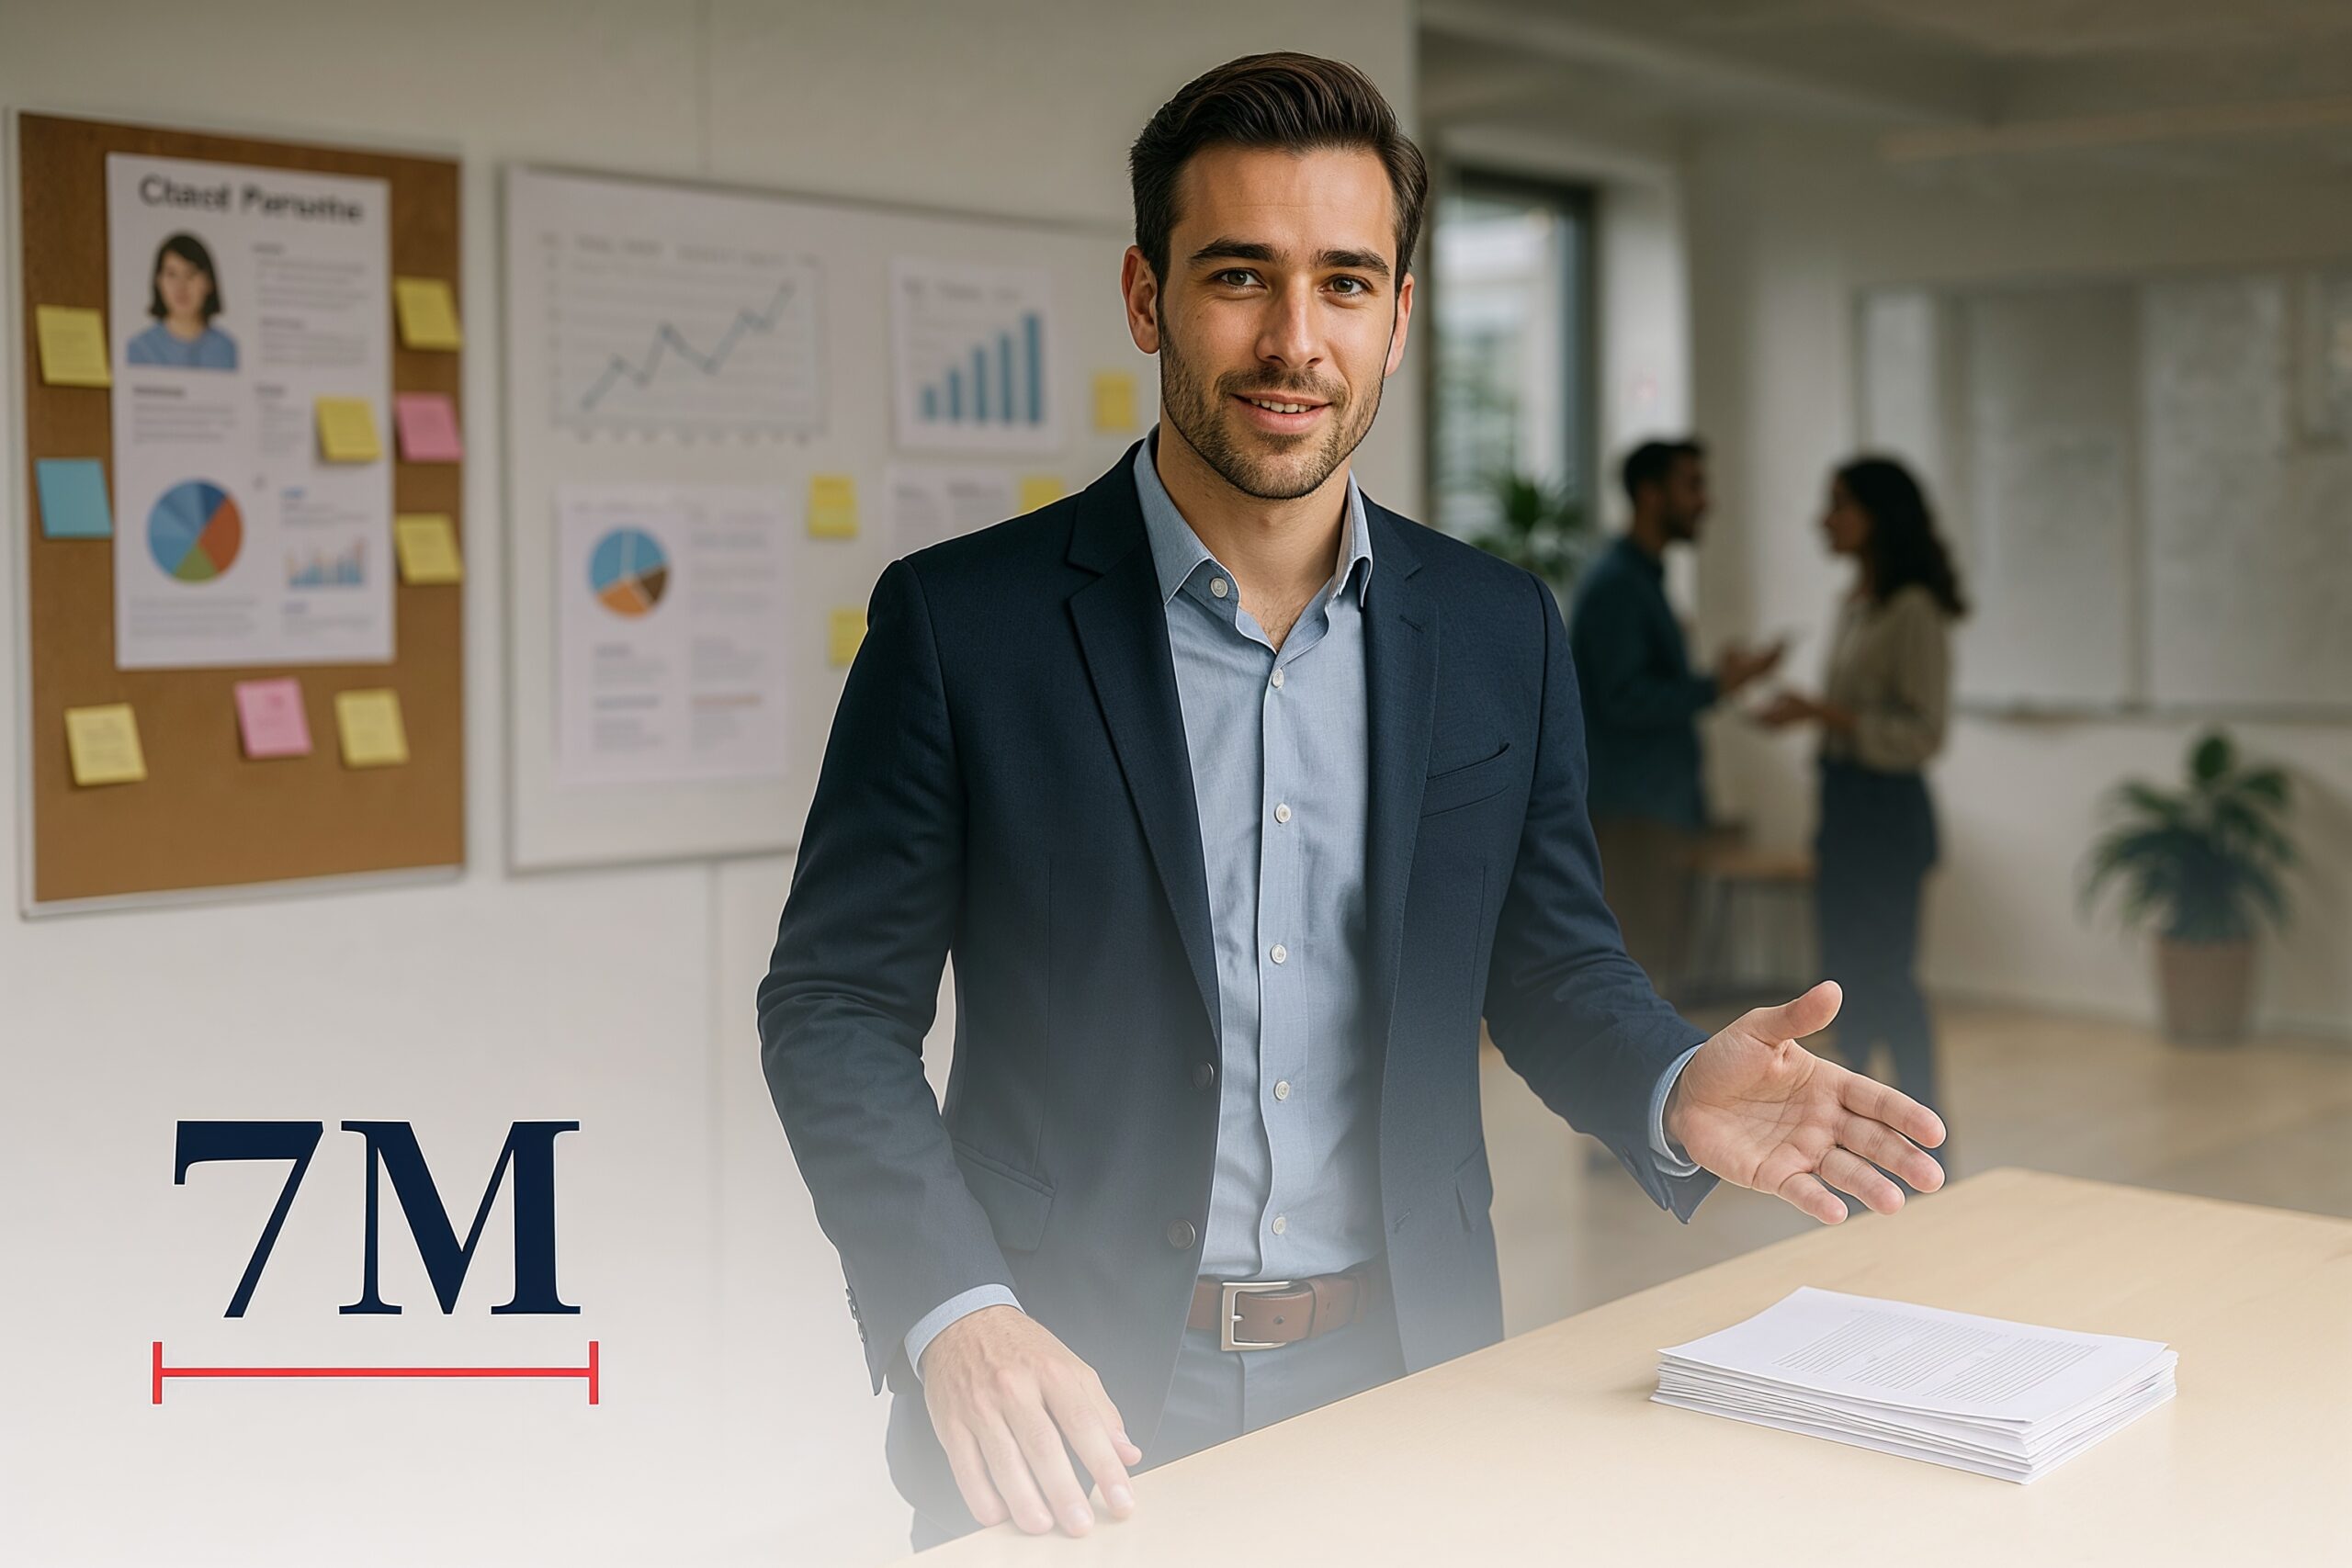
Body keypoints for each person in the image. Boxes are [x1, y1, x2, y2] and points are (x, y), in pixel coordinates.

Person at [757, 54, 1946, 1552]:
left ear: (1398, 319)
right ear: (1147, 297)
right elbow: (832, 1011)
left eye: (1344, 283)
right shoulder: (962, 625)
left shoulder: (1498, 628)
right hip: (1065, 1386)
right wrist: (955, 1310)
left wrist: (1668, 1080)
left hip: (1409, 1370)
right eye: (1239, 275)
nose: (1291, 339)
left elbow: (1551, 962)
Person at [1757, 456, 1964, 1180]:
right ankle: (1859, 1133)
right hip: (1845, 810)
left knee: (1890, 977)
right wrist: (1813, 718)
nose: (1825, 519)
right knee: (1846, 977)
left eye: (1839, 504)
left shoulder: (1914, 609)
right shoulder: (1856, 604)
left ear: (1878, 515)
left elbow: (1922, 732)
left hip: (1888, 816)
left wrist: (1822, 712)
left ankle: (1930, 1140)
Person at [1567, 440, 1780, 988]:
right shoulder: (1619, 586)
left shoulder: (1642, 580)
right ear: (1649, 494)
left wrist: (1712, 683)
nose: (1704, 502)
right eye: (1692, 486)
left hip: (1654, 810)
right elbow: (1624, 702)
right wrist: (1715, 686)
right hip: (1636, 815)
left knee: (1659, 971)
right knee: (1645, 977)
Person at [125, 233, 238, 370]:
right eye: (172, 275)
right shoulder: (140, 349)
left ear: (209, 282)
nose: (181, 286)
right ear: (158, 282)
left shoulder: (226, 348)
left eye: (190, 274)